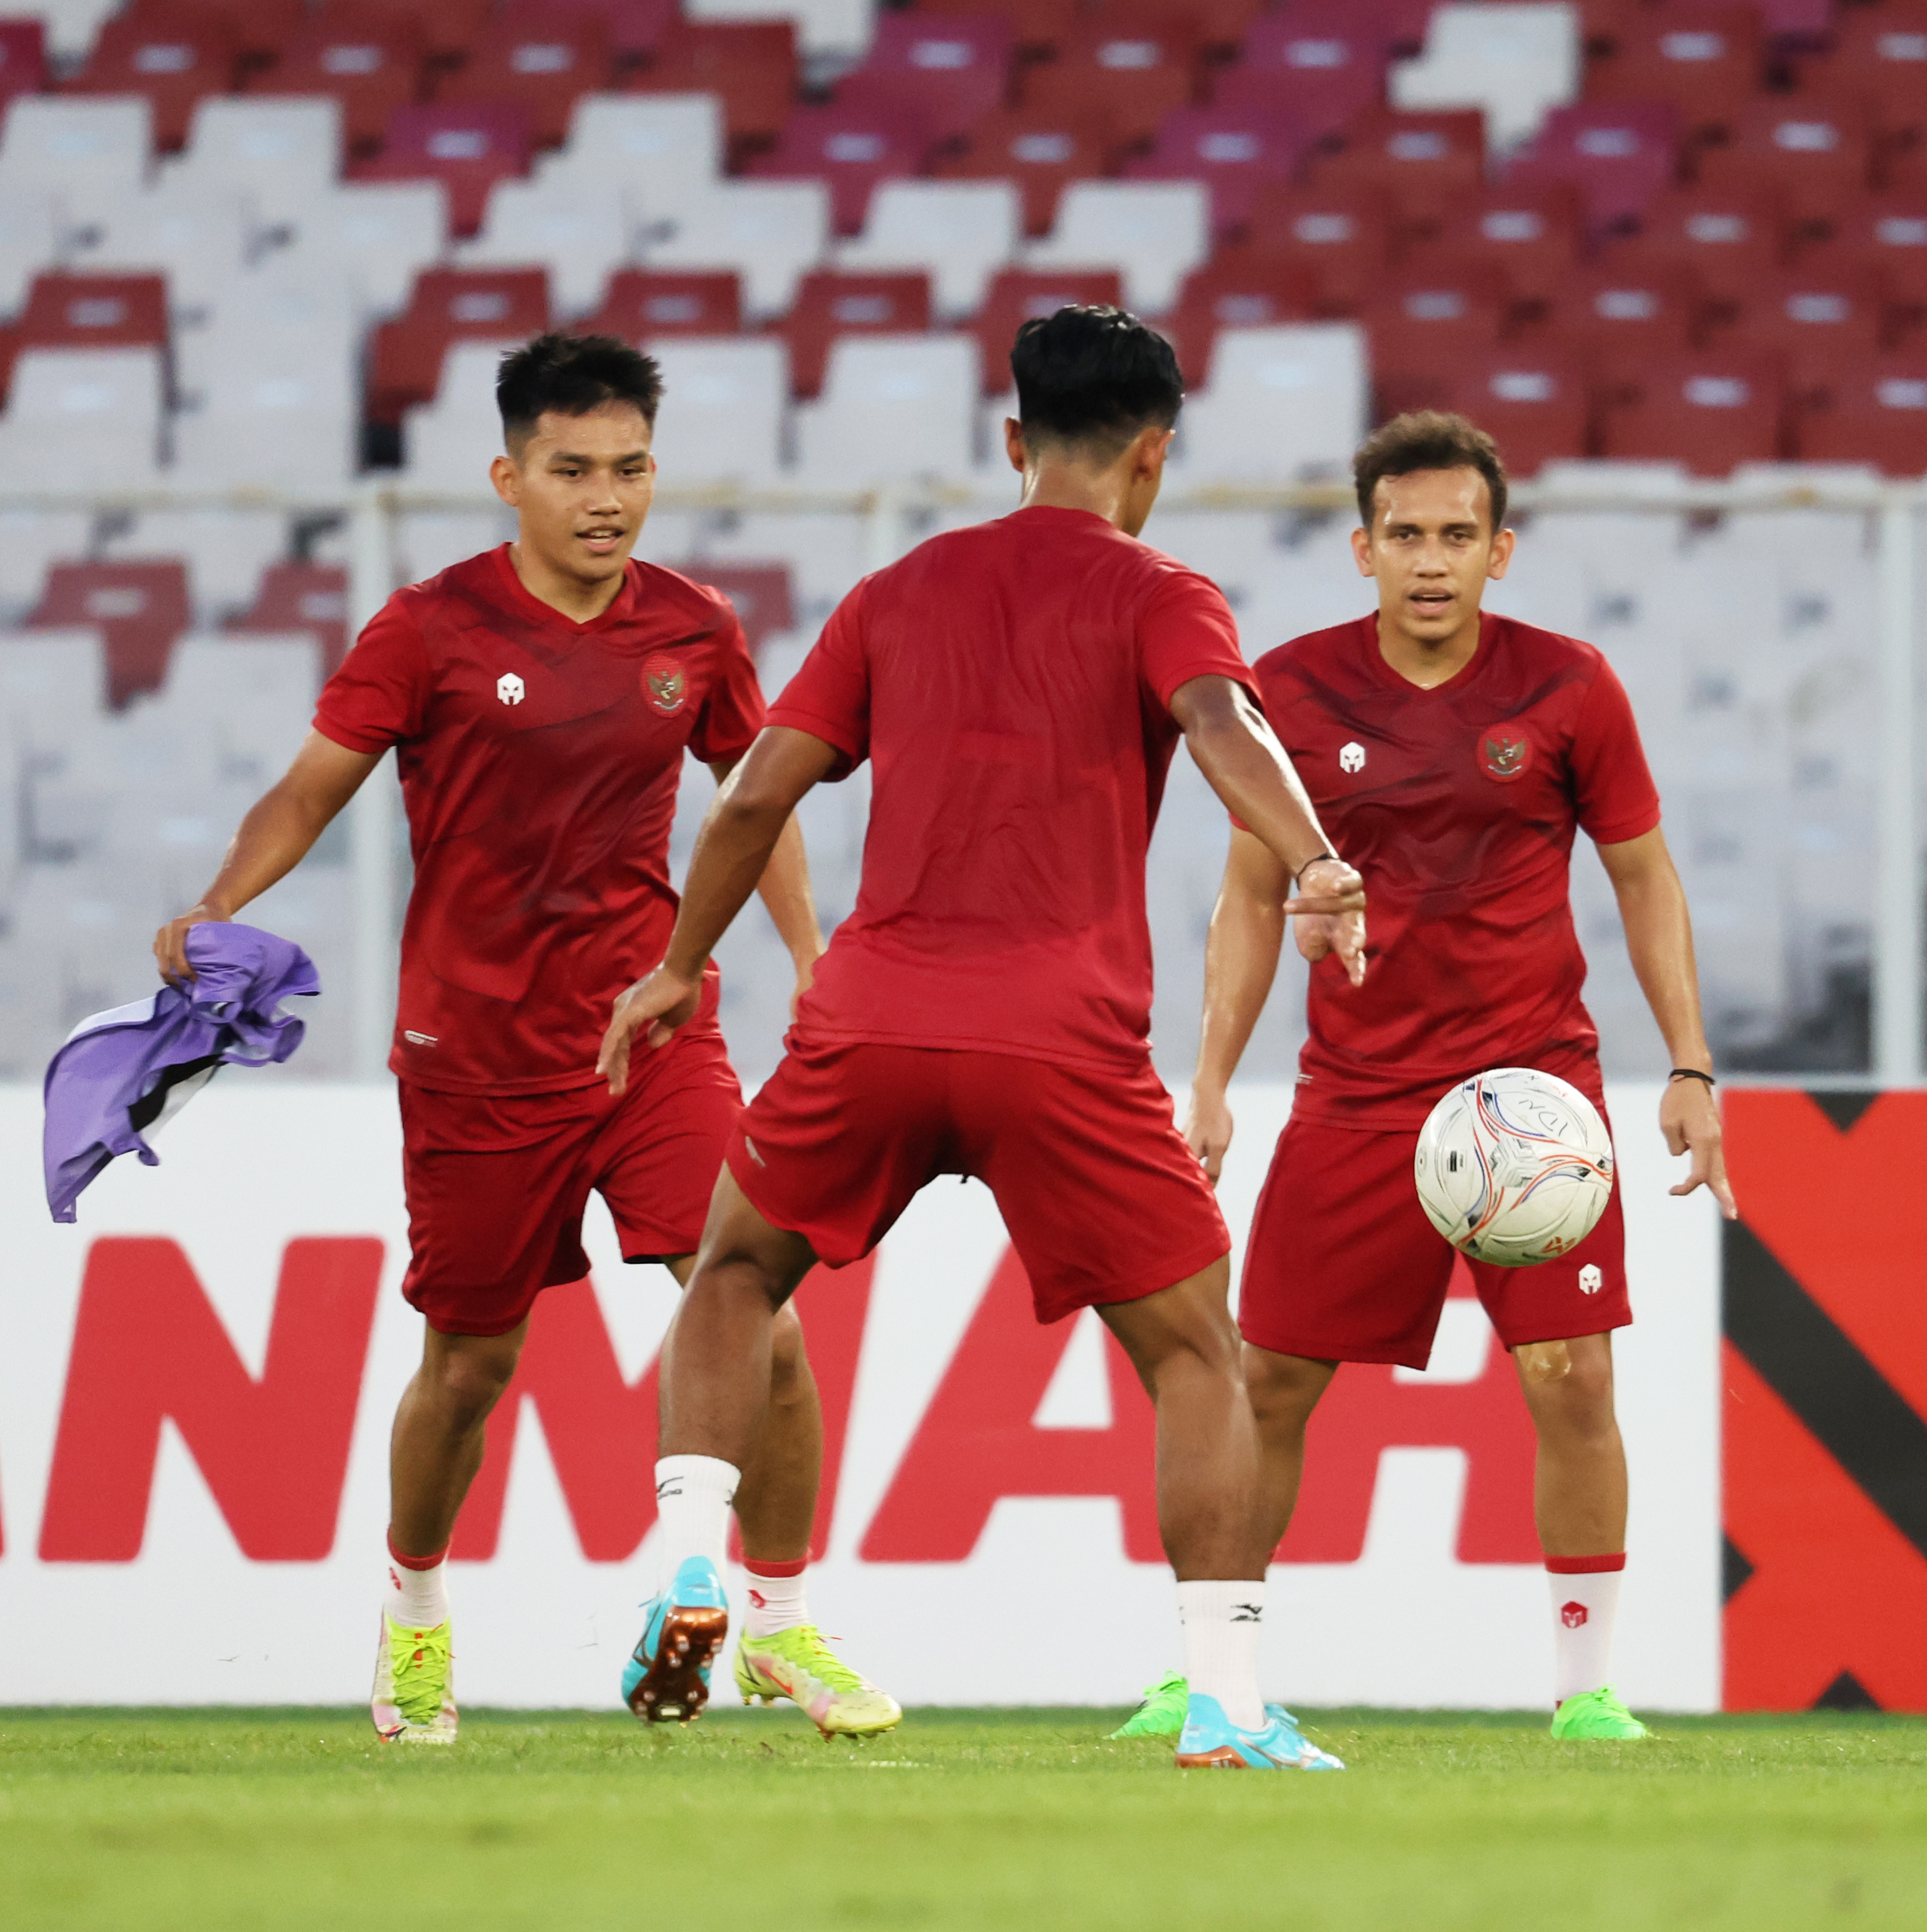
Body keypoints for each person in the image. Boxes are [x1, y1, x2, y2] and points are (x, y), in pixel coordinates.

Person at [598, 305, 1368, 1771]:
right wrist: (1315, 855)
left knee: (737, 1272)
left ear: (1014, 445)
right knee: (1197, 1357)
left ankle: (697, 1552)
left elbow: (754, 795)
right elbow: (1219, 724)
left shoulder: (895, 591)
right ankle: (1223, 1699)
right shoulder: (1161, 591)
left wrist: (676, 966)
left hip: (874, 1014)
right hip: (1056, 1039)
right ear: (1151, 458)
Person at [149, 333, 888, 1746]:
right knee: (470, 1367)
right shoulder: (426, 630)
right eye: (572, 471)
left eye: (630, 469)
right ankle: (415, 1613)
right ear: (509, 477)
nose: (606, 498)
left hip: (649, 1030)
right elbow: (312, 790)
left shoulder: (693, 629)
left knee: (759, 1311)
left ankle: (779, 1621)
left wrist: (801, 958)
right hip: (475, 1057)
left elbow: (749, 805)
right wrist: (219, 900)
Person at [1108, 414, 1736, 1748]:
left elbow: (1642, 879)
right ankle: (1208, 1667)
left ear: (1499, 551)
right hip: (1356, 1099)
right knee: (1263, 1384)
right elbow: (1246, 895)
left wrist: (1687, 1062)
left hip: (1533, 1101)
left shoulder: (1569, 687)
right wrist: (1210, 1081)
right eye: (1405, 536)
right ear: (1362, 549)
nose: (1431, 560)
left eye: (1458, 535)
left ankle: (1586, 1695)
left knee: (1571, 1379)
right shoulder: (1286, 688)